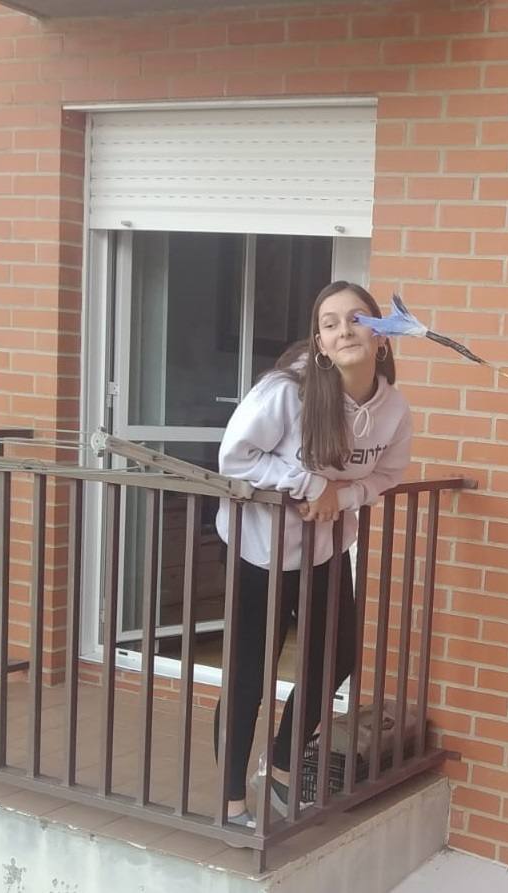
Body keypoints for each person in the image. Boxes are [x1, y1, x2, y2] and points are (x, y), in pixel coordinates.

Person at [213, 281, 412, 826]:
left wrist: (341, 495)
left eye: (356, 319)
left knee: (335, 659)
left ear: (383, 337)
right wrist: (307, 483)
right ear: (320, 343)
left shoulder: (393, 408)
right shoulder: (288, 391)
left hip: (323, 548)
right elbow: (235, 456)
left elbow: (390, 473)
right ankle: (231, 802)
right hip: (258, 548)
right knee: (250, 675)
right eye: (329, 322)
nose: (344, 329)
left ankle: (279, 764)